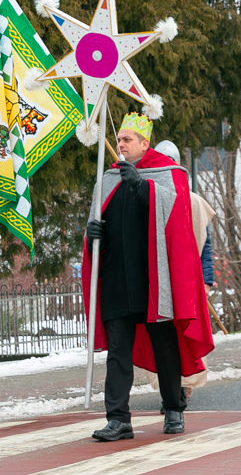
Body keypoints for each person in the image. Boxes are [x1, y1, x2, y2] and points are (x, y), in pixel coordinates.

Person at [82, 112, 214, 441]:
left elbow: (175, 215)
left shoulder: (169, 175)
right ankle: (118, 418)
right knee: (118, 351)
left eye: (127, 140)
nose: (120, 145)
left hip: (155, 278)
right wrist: (93, 233)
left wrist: (141, 186)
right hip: (115, 278)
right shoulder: (107, 178)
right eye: (119, 139)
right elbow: (98, 228)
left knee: (165, 346)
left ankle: (173, 408)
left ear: (144, 143)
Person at [145, 139, 216, 410]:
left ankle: (183, 388)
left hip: (186, 278)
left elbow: (205, 245)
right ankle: (169, 390)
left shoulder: (194, 201)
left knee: (186, 332)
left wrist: (207, 279)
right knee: (162, 337)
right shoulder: (147, 194)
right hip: (158, 279)